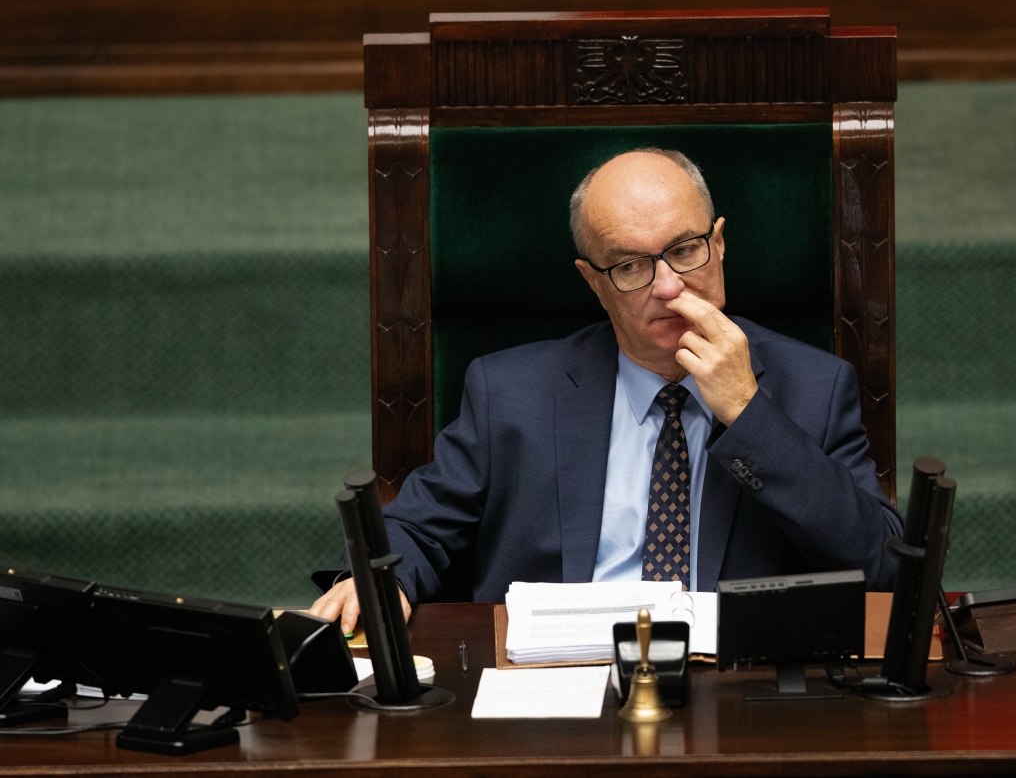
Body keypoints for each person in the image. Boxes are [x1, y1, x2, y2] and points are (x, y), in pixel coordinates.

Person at [309, 148, 902, 633]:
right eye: (630, 266)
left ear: (719, 244)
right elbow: (417, 528)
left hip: (733, 687)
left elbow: (880, 567)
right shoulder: (509, 393)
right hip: (556, 686)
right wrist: (377, 579)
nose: (668, 286)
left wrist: (749, 415)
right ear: (593, 281)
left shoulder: (815, 387)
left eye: (685, 251)